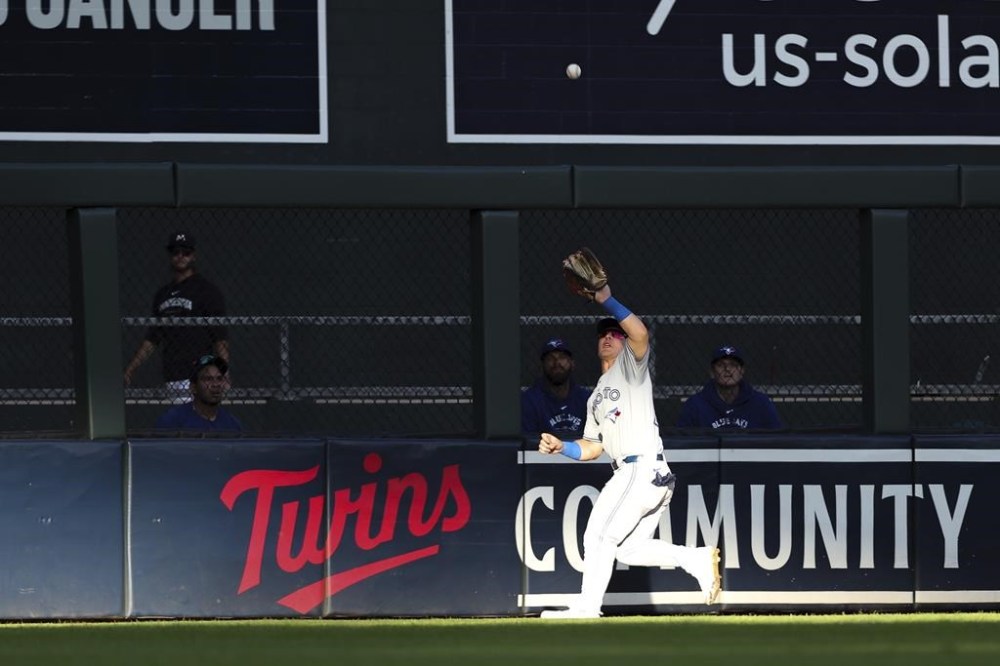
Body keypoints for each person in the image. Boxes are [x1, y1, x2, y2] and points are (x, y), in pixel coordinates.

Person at [537, 277, 721, 619]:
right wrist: (563, 446)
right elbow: (593, 447)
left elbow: (640, 334)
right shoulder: (594, 397)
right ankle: (694, 559)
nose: (608, 337)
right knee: (629, 548)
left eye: (614, 334)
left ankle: (587, 607)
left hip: (640, 469)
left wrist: (607, 300)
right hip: (648, 475)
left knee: (598, 536)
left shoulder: (631, 368)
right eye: (603, 335)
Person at [124, 231, 229, 401]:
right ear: (170, 255)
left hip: (201, 372)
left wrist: (224, 372)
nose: (180, 256)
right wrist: (131, 368)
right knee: (182, 423)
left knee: (200, 422)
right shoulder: (163, 294)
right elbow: (153, 337)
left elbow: (220, 337)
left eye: (186, 252)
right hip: (173, 372)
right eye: (175, 252)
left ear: (193, 256)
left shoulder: (207, 291)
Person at [676, 345, 783, 430]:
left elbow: (778, 439)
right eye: (721, 365)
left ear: (742, 371)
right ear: (712, 372)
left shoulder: (761, 403)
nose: (727, 369)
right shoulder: (695, 405)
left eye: (733, 365)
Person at [521, 337, 591, 436]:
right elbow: (530, 444)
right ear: (542, 365)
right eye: (550, 359)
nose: (557, 363)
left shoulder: (586, 399)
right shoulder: (529, 400)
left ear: (572, 364)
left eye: (562, 358)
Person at [154, 354, 242, 432]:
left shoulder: (232, 425)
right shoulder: (172, 421)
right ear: (193, 387)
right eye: (208, 379)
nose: (215, 384)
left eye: (219, 379)